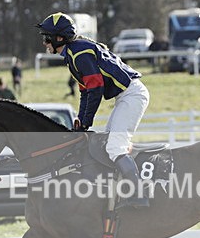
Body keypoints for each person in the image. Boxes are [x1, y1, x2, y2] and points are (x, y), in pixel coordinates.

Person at [37, 12, 150, 208]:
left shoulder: (79, 54)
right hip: (126, 95)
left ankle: (139, 195)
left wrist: (87, 121)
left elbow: (96, 89)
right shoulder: (73, 55)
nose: (44, 42)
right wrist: (81, 120)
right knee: (108, 145)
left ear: (59, 38)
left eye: (47, 37)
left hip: (133, 95)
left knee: (115, 147)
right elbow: (85, 92)